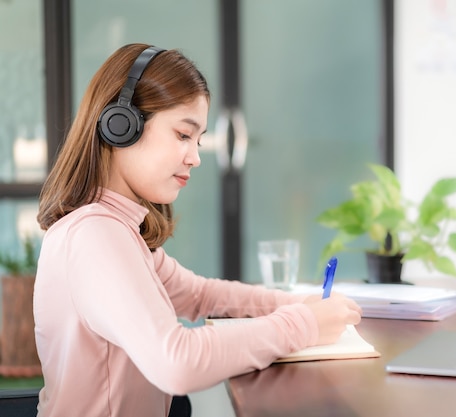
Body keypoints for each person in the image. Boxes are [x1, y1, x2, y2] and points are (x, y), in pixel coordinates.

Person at [33, 43, 362, 417]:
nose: (195, 157)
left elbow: (199, 295)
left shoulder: (119, 229)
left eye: (198, 140)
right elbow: (177, 361)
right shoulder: (94, 236)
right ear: (121, 124)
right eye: (183, 134)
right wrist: (302, 324)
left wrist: (299, 304)